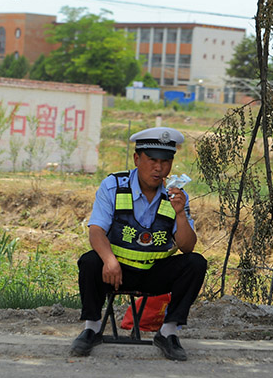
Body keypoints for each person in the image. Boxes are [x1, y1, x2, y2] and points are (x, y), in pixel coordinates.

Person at [70, 126, 207, 361]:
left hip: (154, 273)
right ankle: (91, 328)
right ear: (136, 158)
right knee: (90, 261)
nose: (159, 168)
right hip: (116, 272)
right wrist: (110, 260)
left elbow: (187, 246)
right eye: (152, 160)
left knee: (195, 263)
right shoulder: (113, 186)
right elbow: (96, 231)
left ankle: (168, 332)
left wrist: (181, 214)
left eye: (165, 161)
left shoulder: (175, 195)